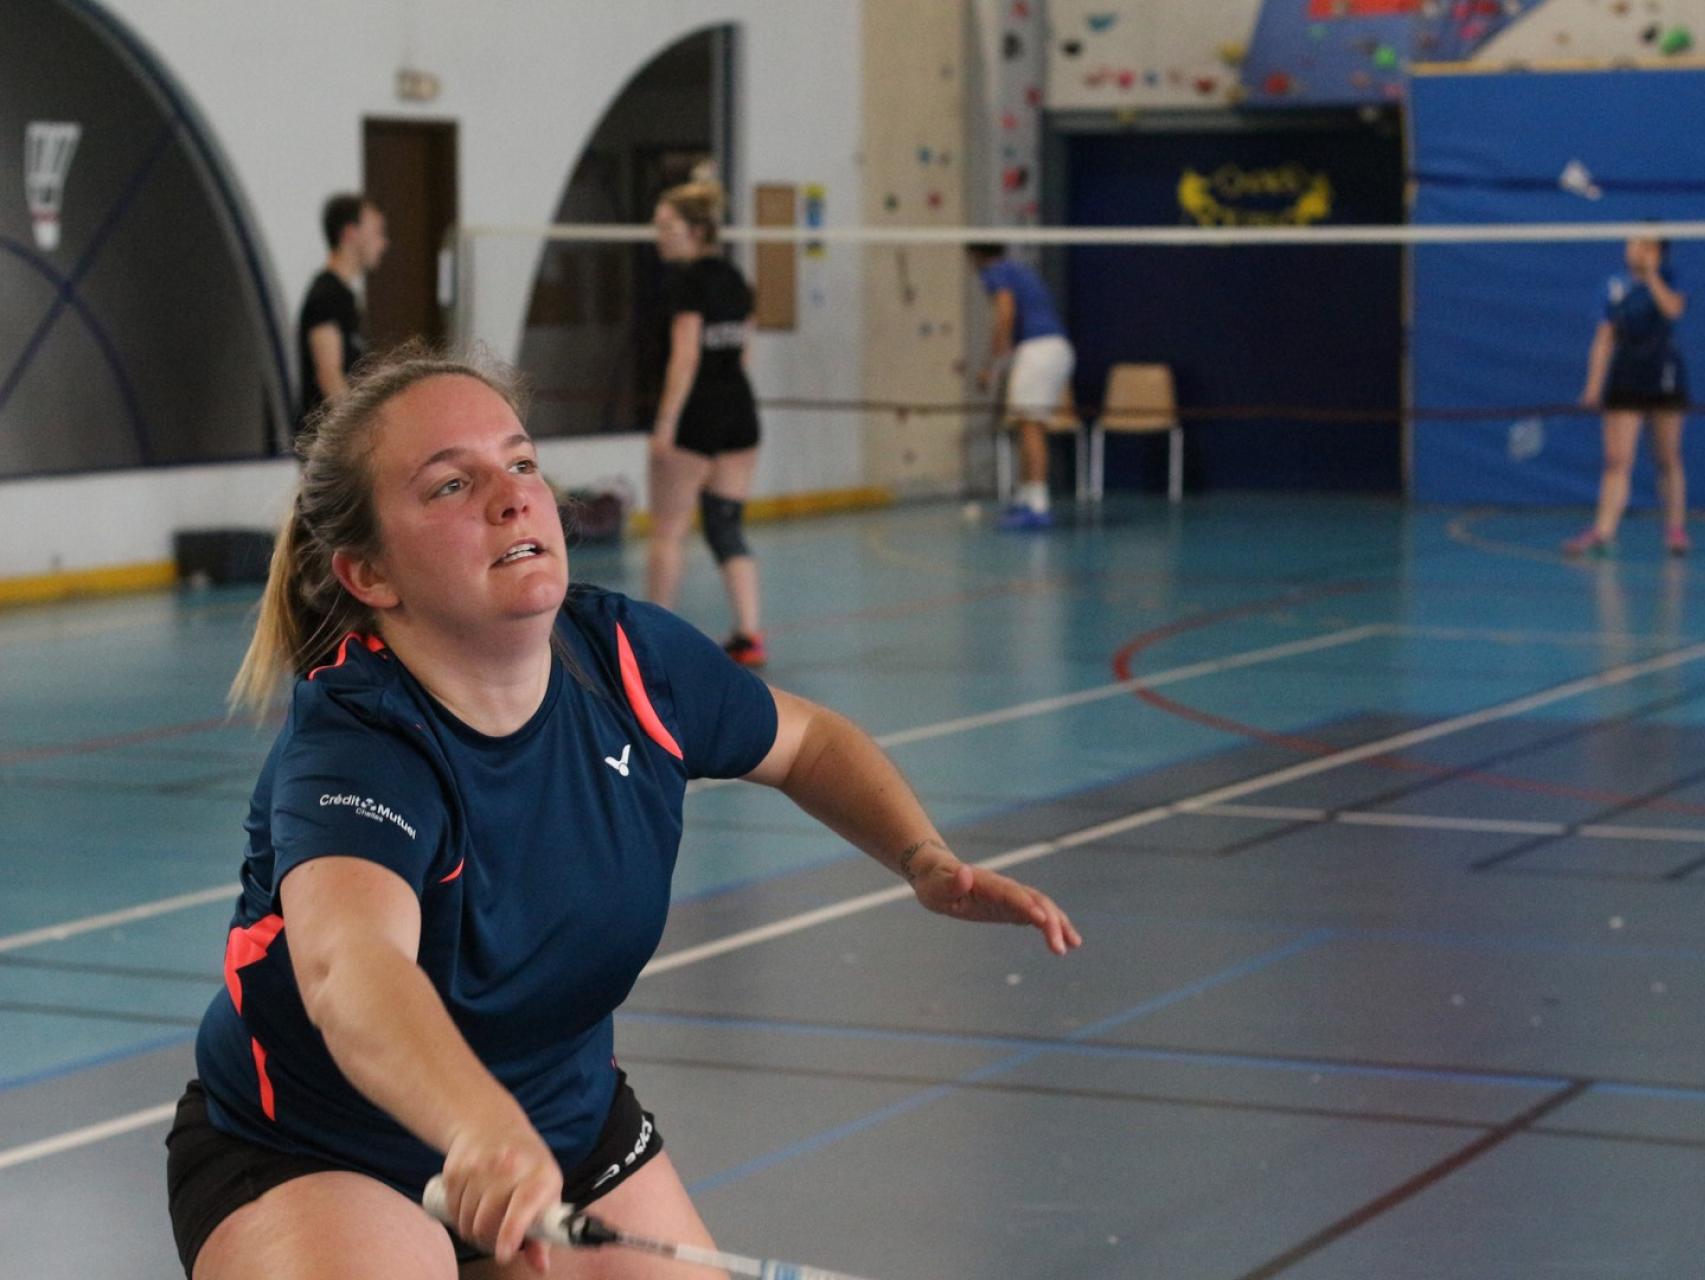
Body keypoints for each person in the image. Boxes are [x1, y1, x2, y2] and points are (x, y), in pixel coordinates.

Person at [166, 344, 1080, 1279]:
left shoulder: (627, 663)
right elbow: (350, 968)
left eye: (522, 462)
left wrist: (921, 858)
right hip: (318, 1151)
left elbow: (806, 742)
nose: (513, 498)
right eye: (451, 485)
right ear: (369, 575)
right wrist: (478, 1128)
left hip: (557, 1128)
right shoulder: (358, 744)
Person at [643, 181, 766, 667]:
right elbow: (744, 351)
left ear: (695, 230)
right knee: (725, 527)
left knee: (668, 530)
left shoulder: (687, 283)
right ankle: (749, 634)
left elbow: (686, 357)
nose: (659, 236)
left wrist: (666, 424)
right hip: (739, 411)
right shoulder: (736, 279)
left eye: (667, 227)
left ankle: (650, 640)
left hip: (695, 416)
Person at [1564, 237, 1690, 558]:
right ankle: (1604, 531)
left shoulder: (1670, 277)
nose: (1630, 248)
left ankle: (1675, 530)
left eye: (1638, 243)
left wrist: (1652, 276)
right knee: (1616, 460)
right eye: (1630, 243)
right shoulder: (1613, 285)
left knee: (1668, 458)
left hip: (1664, 375)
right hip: (1625, 376)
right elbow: (1604, 337)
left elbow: (1673, 309)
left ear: (1655, 250)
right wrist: (1593, 386)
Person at [966, 243, 1075, 532]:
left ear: (976, 257)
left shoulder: (995, 272)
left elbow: (1005, 314)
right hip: (1056, 349)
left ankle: (1037, 506)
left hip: (1038, 350)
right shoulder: (1020, 271)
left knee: (1030, 426)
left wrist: (991, 367)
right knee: (1029, 426)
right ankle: (1026, 498)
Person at [296, 193, 388, 428]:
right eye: (376, 232)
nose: (383, 244)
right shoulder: (327, 297)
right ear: (349, 233)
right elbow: (329, 375)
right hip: (323, 439)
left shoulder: (344, 297)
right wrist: (358, 431)